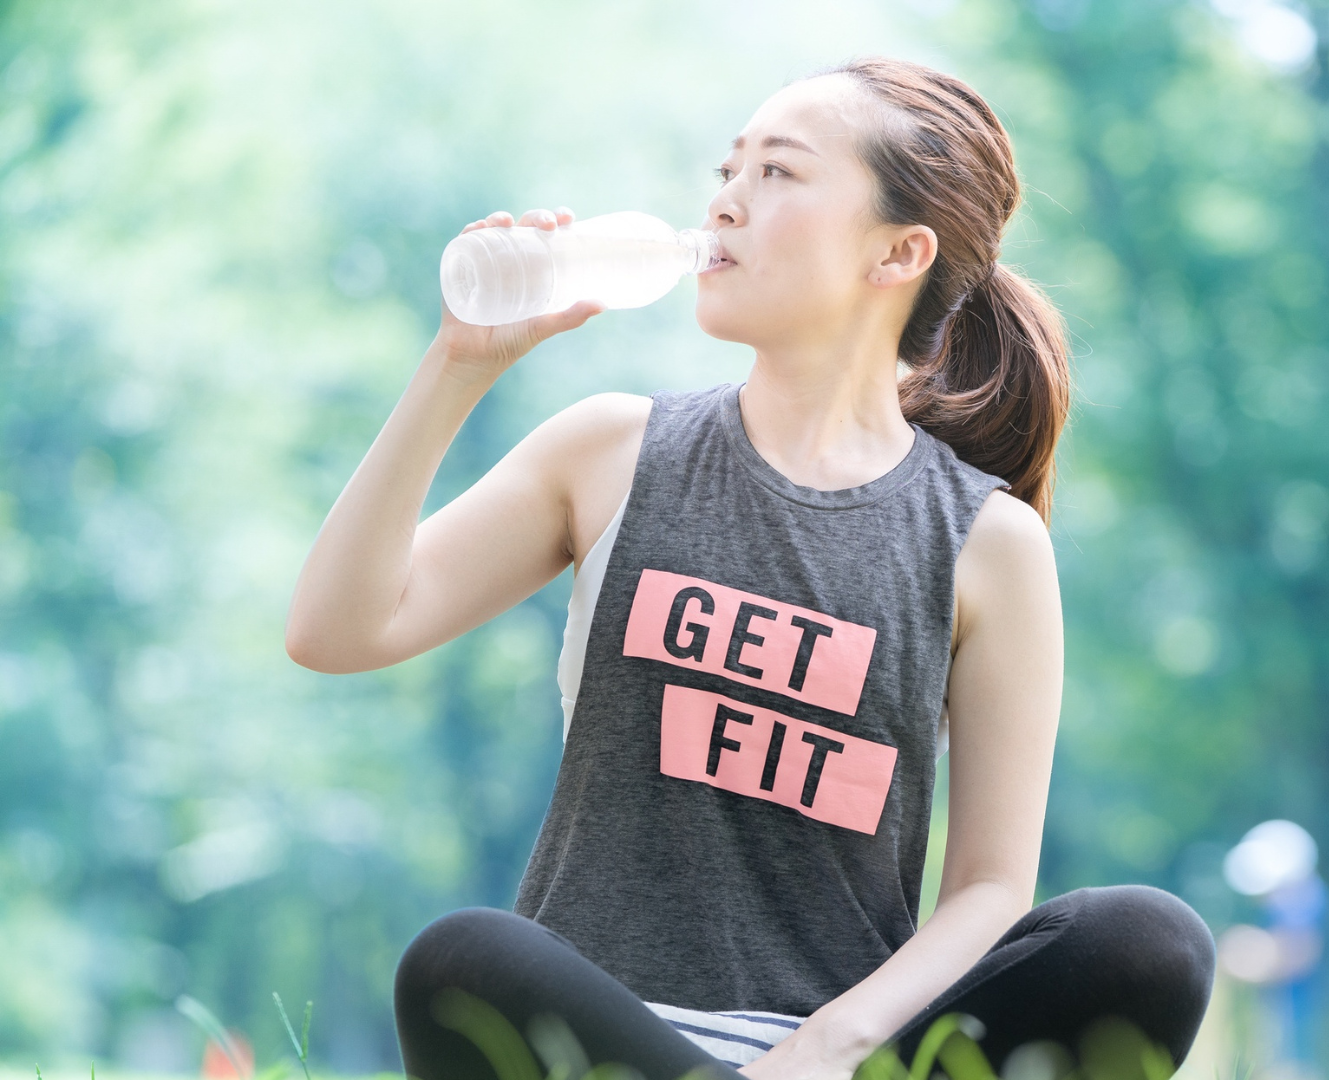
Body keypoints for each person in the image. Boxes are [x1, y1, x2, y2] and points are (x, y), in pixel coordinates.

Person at [285, 57, 1214, 1080]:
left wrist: (826, 1048)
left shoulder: (988, 545)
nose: (727, 200)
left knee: (1148, 946)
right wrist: (459, 364)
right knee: (462, 960)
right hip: (600, 1042)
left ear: (899, 252)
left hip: (835, 1058)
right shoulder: (611, 454)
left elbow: (991, 888)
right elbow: (336, 630)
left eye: (778, 173)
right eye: (731, 168)